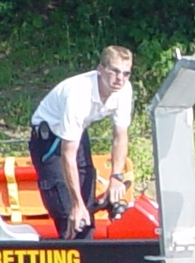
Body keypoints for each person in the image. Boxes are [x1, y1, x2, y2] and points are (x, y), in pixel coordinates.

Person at [29, 46, 133, 239]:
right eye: (115, 71)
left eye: (126, 73)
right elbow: (68, 154)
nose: (120, 79)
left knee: (86, 210)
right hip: (49, 139)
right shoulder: (78, 95)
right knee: (69, 212)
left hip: (76, 132)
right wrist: (76, 205)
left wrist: (116, 178)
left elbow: (120, 135)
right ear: (100, 69)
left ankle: (89, 247)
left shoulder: (124, 89)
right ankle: (71, 252)